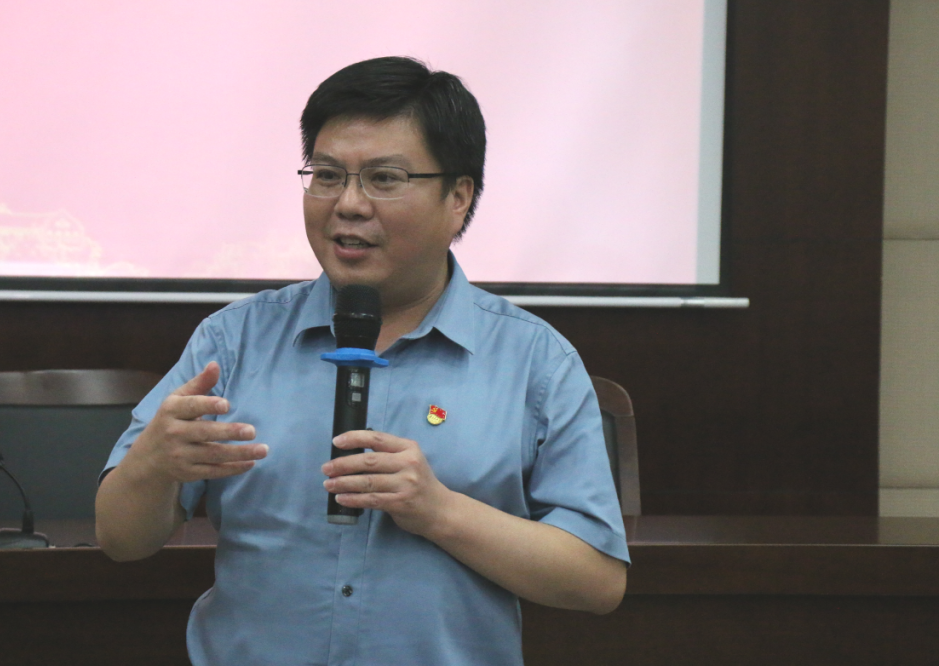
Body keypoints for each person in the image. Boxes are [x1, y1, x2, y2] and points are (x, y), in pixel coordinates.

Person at [96, 56, 629, 665]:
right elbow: (120, 538)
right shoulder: (234, 341)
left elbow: (597, 581)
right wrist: (154, 465)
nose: (347, 204)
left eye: (384, 178)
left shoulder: (535, 360)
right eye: (327, 175)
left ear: (458, 197)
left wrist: (439, 511)